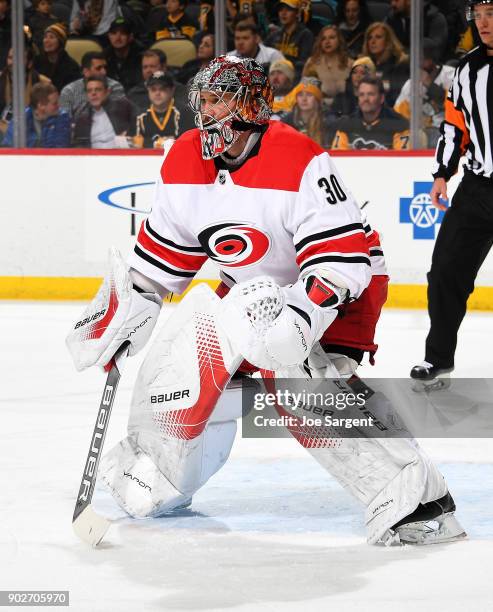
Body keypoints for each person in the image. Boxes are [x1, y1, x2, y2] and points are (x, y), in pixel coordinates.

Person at [66, 55, 465, 546]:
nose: (207, 111)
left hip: (340, 282)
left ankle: (418, 501)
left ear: (252, 104)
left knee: (301, 381)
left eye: (219, 99)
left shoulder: (298, 158)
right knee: (187, 359)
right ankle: (162, 476)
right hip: (249, 284)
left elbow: (343, 259)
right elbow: (159, 265)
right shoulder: (183, 160)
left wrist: (299, 317)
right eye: (204, 100)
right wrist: (123, 313)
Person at [410, 1, 493, 386]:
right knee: (445, 272)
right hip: (477, 187)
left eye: (492, 13)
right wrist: (443, 172)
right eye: (479, 15)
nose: (484, 22)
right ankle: (438, 359)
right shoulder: (466, 69)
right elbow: (454, 125)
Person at [394, 38, 455, 148]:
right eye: (415, 59)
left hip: (450, 133)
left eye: (422, 59)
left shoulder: (451, 75)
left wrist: (430, 85)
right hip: (422, 136)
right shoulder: (410, 85)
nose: (418, 64)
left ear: (433, 58)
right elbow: (399, 115)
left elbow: (459, 107)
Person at [331, 76, 410, 150]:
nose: (365, 99)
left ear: (381, 98)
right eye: (361, 95)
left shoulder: (399, 125)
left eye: (370, 94)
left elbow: (403, 161)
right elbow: (336, 158)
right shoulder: (346, 125)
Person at [133, 71, 194, 147]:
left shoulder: (186, 113)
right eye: (153, 89)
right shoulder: (140, 116)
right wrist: (163, 142)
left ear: (172, 90)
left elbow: (187, 142)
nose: (157, 93)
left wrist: (149, 143)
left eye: (162, 89)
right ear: (148, 90)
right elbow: (133, 143)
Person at [72, 75, 133, 147]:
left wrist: (129, 134)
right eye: (89, 91)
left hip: (120, 155)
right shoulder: (81, 117)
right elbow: (78, 146)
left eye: (98, 89)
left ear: (107, 92)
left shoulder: (123, 106)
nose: (93, 93)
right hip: (93, 157)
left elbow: (140, 123)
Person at [3, 81, 70, 147]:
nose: (59, 105)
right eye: (55, 103)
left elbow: (59, 147)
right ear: (40, 105)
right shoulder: (20, 120)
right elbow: (8, 147)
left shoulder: (62, 117)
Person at [59, 51, 125, 119]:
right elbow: (64, 122)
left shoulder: (115, 87)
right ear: (86, 72)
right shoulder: (69, 91)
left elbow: (120, 118)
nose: (104, 72)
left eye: (105, 67)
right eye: (98, 68)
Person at [302, 25, 353, 109]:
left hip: (346, 109)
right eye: (323, 39)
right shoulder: (312, 63)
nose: (327, 42)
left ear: (339, 40)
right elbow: (305, 91)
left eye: (332, 37)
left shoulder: (350, 64)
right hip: (319, 109)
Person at [361, 21, 409, 107]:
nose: (373, 41)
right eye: (370, 38)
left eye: (378, 37)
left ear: (388, 41)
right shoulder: (363, 65)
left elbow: (398, 97)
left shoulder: (400, 65)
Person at [280, 77, 333, 146]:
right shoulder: (286, 123)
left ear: (317, 100)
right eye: (300, 95)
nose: (304, 99)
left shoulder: (327, 121)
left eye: (309, 95)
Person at [265, 0, 314, 74]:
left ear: (297, 13)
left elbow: (303, 63)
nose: (283, 13)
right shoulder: (274, 35)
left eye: (288, 10)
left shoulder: (305, 35)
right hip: (273, 76)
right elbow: (263, 54)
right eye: (281, 10)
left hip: (295, 77)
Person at [33, 23, 81, 93]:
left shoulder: (71, 66)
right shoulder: (37, 61)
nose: (47, 40)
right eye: (45, 37)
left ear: (60, 42)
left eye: (51, 37)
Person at [104, 18, 143, 93]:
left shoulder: (141, 56)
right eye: (114, 33)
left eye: (123, 33)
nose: (118, 38)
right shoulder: (105, 56)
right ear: (109, 36)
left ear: (130, 37)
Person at [332, 55, 376, 119]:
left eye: (362, 73)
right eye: (354, 72)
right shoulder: (340, 98)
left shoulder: (375, 100)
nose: (358, 76)